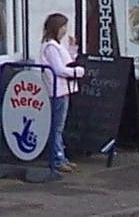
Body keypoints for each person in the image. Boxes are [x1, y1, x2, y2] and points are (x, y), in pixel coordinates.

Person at [41, 12, 85, 173]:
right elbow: (59, 69)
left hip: (63, 89)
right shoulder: (51, 47)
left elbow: (67, 61)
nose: (65, 30)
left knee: (59, 126)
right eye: (63, 26)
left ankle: (62, 157)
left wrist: (72, 48)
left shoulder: (56, 46)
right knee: (56, 127)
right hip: (57, 90)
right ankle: (57, 159)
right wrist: (78, 72)